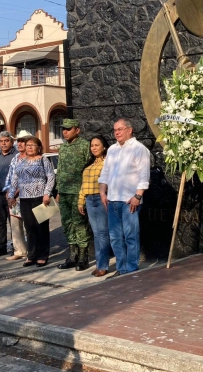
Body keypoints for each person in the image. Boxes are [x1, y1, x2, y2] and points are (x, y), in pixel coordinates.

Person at [99, 118, 150, 279]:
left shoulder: (139, 149)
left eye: (120, 129)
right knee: (115, 238)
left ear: (130, 130)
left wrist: (138, 195)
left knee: (130, 236)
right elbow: (105, 172)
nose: (117, 133)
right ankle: (121, 269)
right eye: (115, 130)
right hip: (112, 200)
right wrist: (102, 192)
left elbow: (144, 175)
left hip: (130, 201)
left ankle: (131, 268)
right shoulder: (112, 149)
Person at [8, 137, 55, 267]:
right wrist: (11, 196)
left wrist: (47, 193)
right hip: (24, 198)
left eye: (33, 145)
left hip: (40, 198)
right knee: (30, 228)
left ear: (39, 147)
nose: (29, 147)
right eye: (28, 145)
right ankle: (31, 255)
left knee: (41, 228)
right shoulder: (20, 161)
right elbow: (14, 179)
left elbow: (50, 177)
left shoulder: (43, 160)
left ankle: (42, 255)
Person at [55, 118, 92, 271]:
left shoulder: (85, 146)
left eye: (68, 129)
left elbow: (89, 169)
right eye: (63, 129)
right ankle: (72, 255)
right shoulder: (62, 148)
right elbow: (60, 169)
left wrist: (84, 192)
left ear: (77, 130)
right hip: (64, 192)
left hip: (78, 192)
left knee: (80, 224)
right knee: (67, 224)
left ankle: (83, 257)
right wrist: (58, 190)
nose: (65, 131)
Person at [78, 135, 111, 277]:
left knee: (103, 234)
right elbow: (84, 185)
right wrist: (81, 201)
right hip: (89, 201)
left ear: (104, 147)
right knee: (96, 234)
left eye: (97, 145)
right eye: (92, 145)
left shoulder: (108, 163)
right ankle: (99, 264)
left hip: (101, 198)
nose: (94, 148)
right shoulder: (89, 165)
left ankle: (103, 265)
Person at [3, 130, 31, 261]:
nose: (20, 144)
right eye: (18, 141)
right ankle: (20, 250)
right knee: (15, 224)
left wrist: (14, 193)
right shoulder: (15, 158)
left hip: (28, 195)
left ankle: (33, 250)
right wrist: (9, 193)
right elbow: (9, 177)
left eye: (23, 141)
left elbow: (27, 179)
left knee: (30, 224)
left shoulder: (32, 157)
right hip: (14, 196)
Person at [0, 131, 18, 258]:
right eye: (1, 141)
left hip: (12, 195)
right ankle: (1, 247)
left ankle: (16, 247)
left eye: (6, 140)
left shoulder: (17, 156)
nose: (4, 143)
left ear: (11, 142)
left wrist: (13, 193)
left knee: (14, 222)